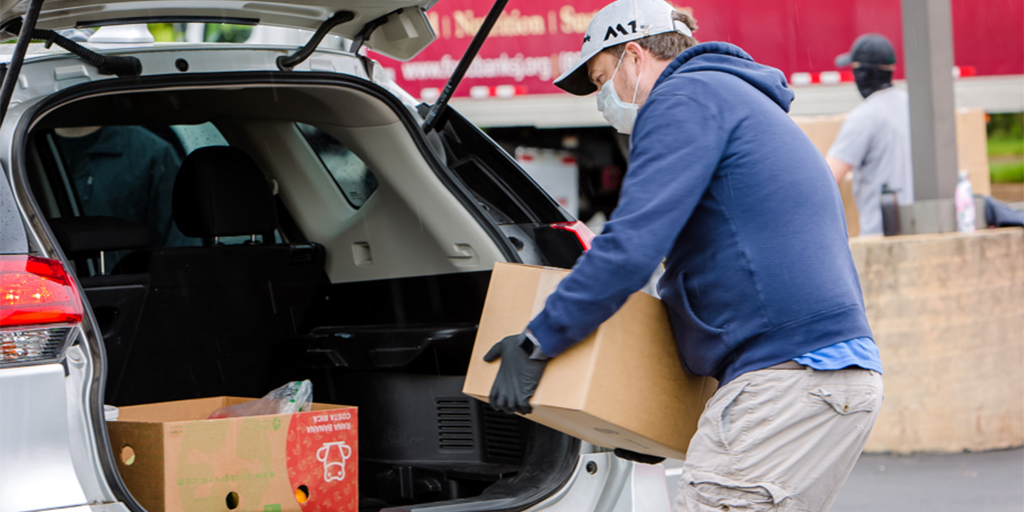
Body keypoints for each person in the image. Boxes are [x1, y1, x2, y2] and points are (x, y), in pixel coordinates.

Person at [480, 0, 884, 510]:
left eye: (604, 81)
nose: (604, 100)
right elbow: (719, 272)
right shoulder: (731, 97)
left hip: (787, 378)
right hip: (822, 377)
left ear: (633, 56)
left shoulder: (682, 98)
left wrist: (539, 340)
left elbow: (630, 247)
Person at [826, 34, 914, 237]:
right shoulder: (915, 105)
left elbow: (828, 177)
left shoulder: (864, 117)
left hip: (881, 237)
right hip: (920, 230)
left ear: (861, 73)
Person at [53, 125, 186, 246]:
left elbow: (179, 243)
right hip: (39, 270)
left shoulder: (150, 153)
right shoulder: (34, 148)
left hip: (124, 271)